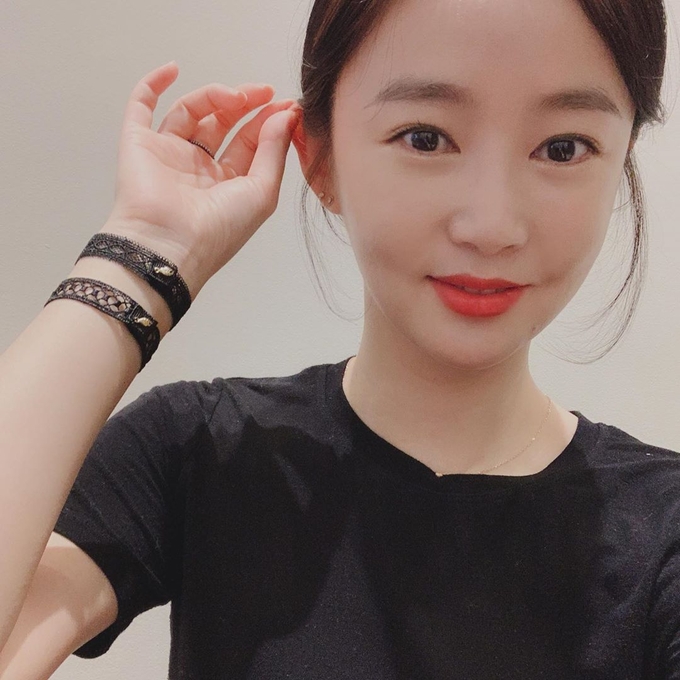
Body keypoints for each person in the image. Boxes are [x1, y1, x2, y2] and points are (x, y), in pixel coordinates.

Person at [0, 0, 677, 677]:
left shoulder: (663, 532)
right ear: (320, 157)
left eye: (563, 148)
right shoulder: (198, 449)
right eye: (425, 137)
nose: (492, 225)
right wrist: (140, 255)